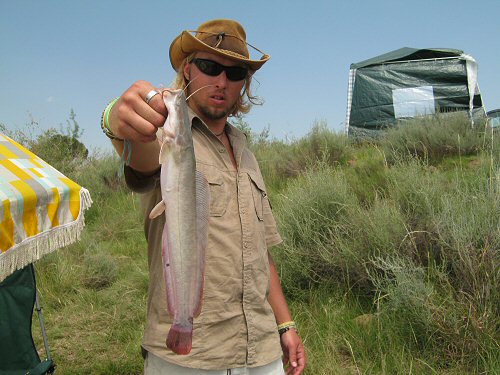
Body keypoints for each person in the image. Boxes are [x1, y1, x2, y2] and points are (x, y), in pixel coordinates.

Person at [100, 19, 306, 375]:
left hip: (261, 350)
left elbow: (260, 251)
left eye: (236, 72)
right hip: (189, 358)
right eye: (209, 67)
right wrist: (116, 119)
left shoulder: (245, 151)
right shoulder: (167, 134)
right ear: (187, 69)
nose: (222, 81)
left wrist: (285, 325)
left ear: (245, 83)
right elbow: (137, 149)